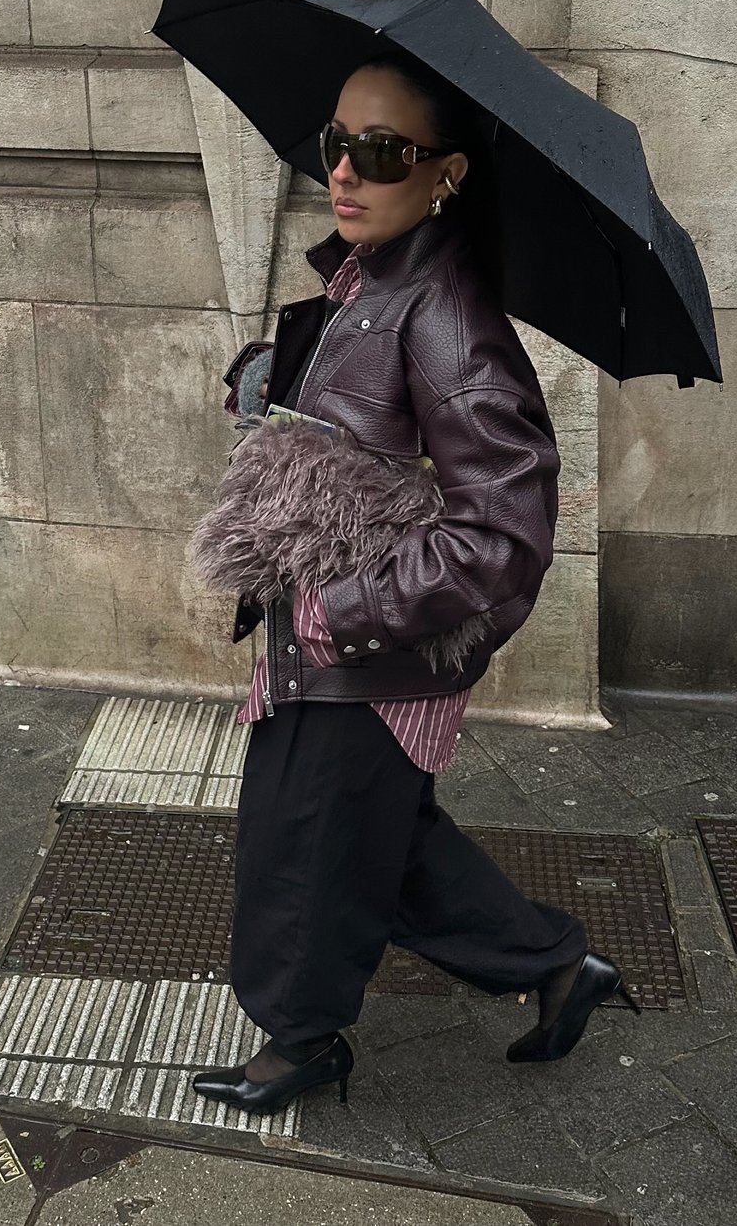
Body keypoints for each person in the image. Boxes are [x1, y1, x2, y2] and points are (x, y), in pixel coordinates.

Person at [191, 54, 639, 1115]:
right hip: (333, 642)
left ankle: (300, 1044)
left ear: (443, 174)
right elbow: (363, 435)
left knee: (302, 848)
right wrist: (271, 382)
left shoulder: (446, 317)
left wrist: (336, 614)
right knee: (379, 842)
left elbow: (503, 530)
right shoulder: (372, 279)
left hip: (365, 652)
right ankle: (558, 969)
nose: (344, 171)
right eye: (335, 144)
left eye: (381, 152)